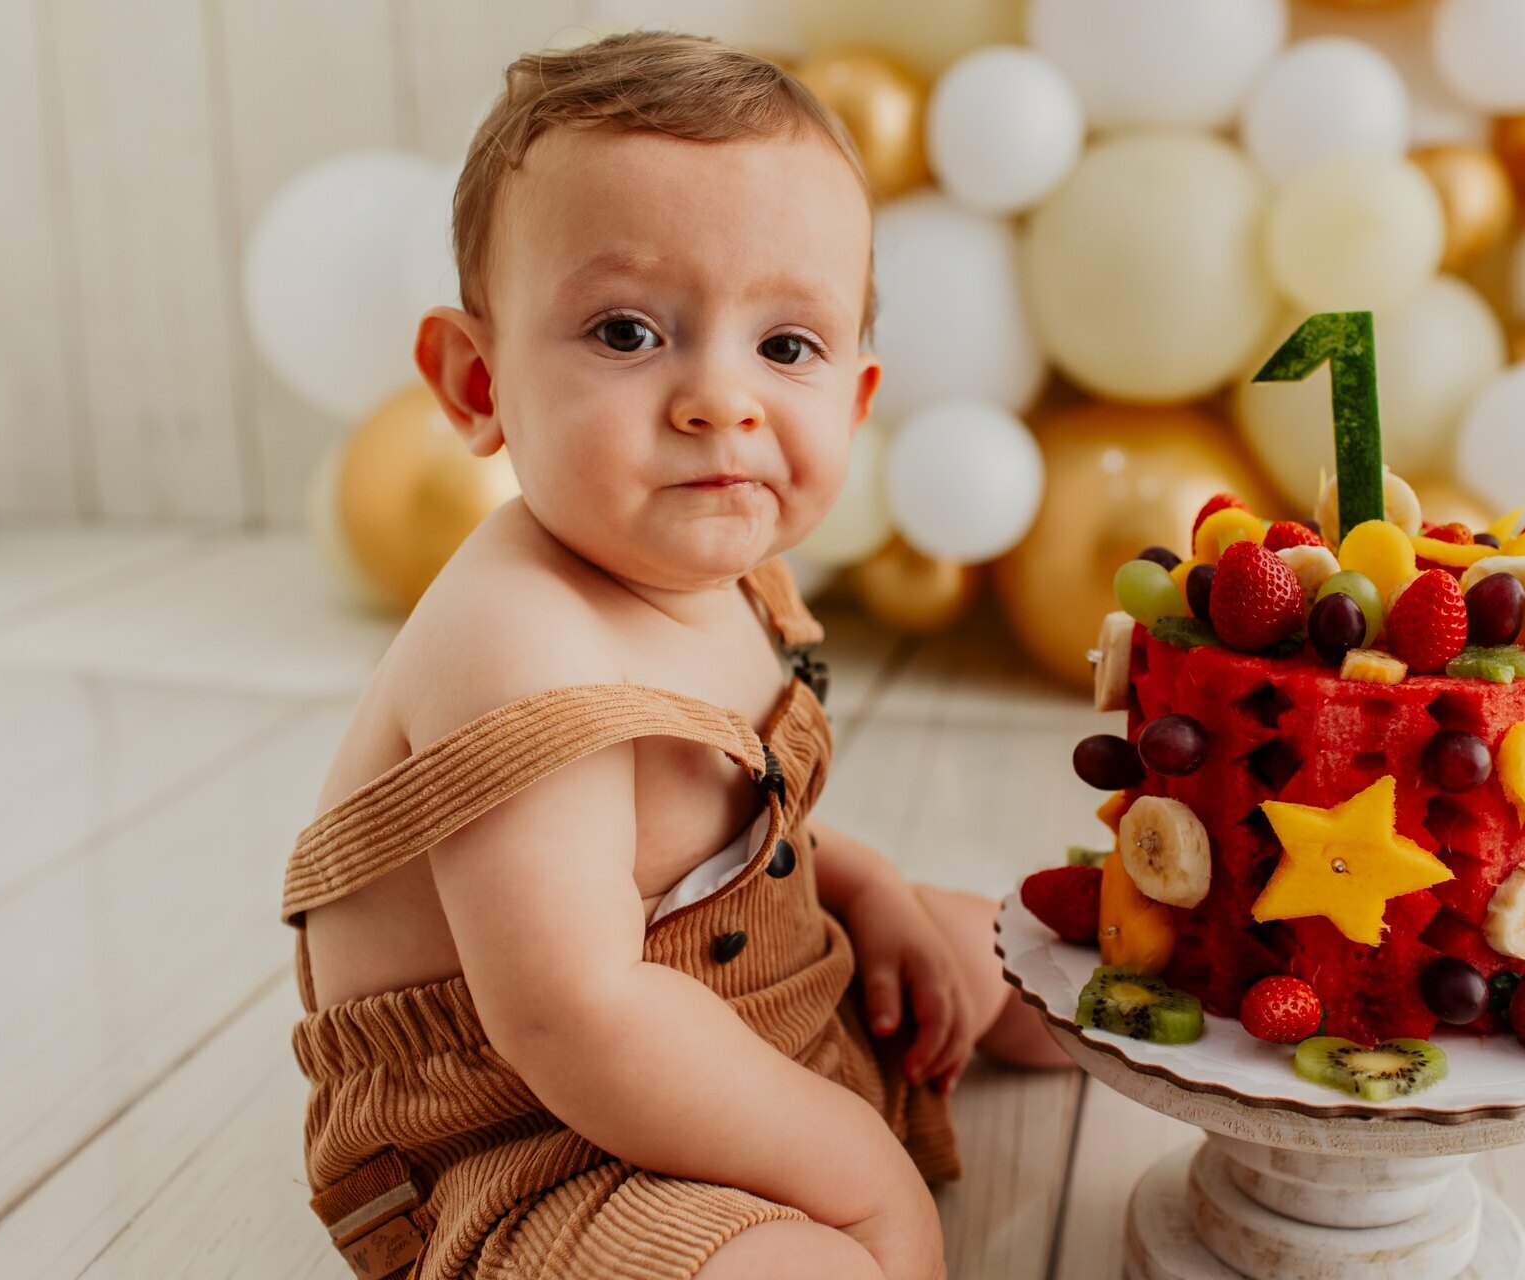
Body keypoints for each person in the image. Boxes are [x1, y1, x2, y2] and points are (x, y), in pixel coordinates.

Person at [278, 30, 1071, 1280]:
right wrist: (859, 1171)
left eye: (786, 347)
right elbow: (573, 1015)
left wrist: (866, 892)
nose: (721, 399)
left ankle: (1245, 1069)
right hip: (543, 1135)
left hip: (752, 1011)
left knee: (1033, 946)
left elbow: (716, 845)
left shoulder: (734, 568)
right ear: (478, 381)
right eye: (629, 332)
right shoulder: (519, 640)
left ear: (855, 401)